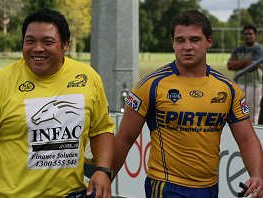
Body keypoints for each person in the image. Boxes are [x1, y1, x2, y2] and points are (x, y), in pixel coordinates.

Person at [0, 8, 114, 198]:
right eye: (30, 41)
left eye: (48, 42)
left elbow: (101, 129)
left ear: (65, 44)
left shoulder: (88, 77)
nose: (37, 48)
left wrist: (102, 169)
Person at [111, 9, 263, 198]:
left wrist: (257, 175)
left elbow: (247, 138)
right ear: (172, 43)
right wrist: (105, 176)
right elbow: (125, 137)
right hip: (166, 187)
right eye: (180, 40)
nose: (187, 46)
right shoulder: (150, 84)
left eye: (195, 39)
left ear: (209, 41)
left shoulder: (229, 89)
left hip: (210, 188)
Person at [227, 25, 263, 124]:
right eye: (246, 34)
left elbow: (253, 65)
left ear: (255, 35)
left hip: (254, 84)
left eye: (250, 34)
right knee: (238, 110)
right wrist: (246, 62)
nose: (248, 36)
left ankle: (254, 134)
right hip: (239, 83)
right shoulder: (238, 49)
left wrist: (238, 63)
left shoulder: (259, 49)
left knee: (252, 112)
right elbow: (229, 65)